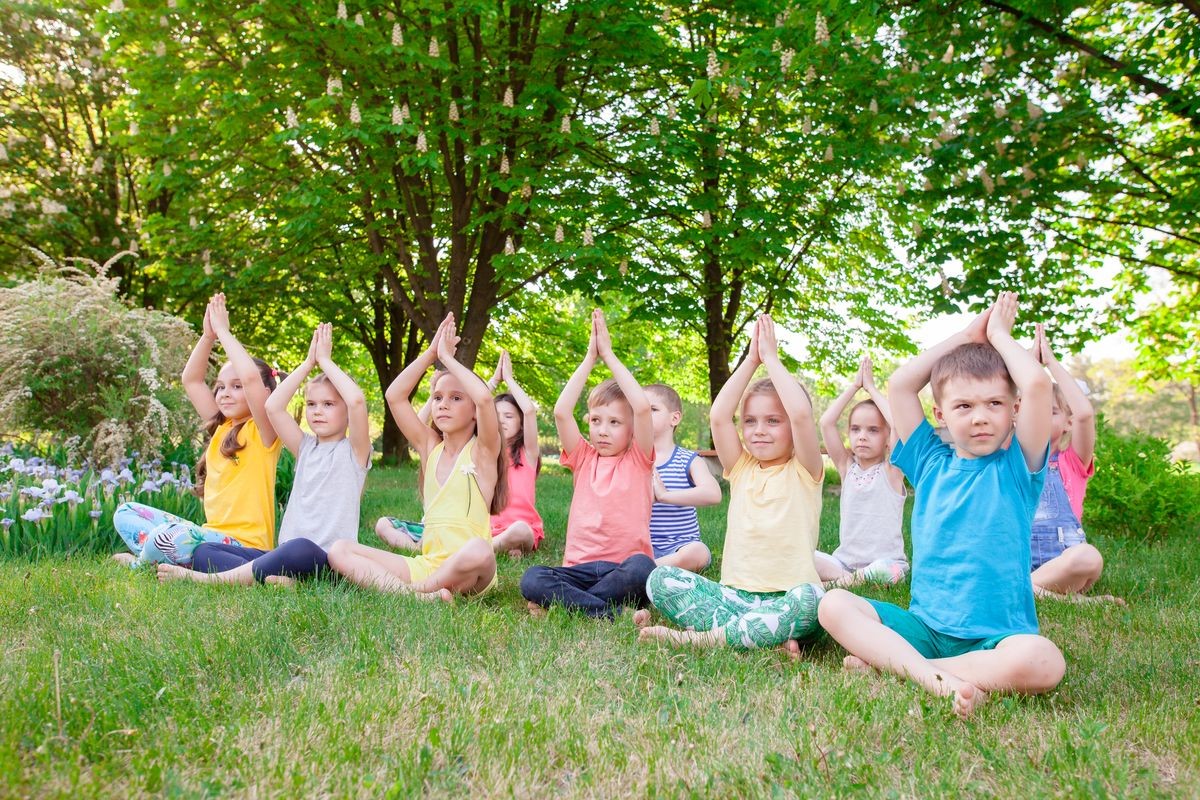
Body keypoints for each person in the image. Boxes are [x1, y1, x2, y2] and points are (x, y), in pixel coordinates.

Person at [818, 293, 1066, 717]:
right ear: (940, 414)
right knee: (834, 604)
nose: (980, 416)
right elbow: (900, 384)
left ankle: (903, 668)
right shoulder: (928, 462)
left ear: (1014, 410)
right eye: (964, 406)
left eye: (994, 404)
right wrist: (966, 335)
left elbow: (1038, 385)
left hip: (997, 641)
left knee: (1044, 661)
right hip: (926, 630)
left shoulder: (1019, 467)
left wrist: (999, 335)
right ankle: (935, 677)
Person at [637, 315, 824, 652]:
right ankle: (764, 637)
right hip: (735, 598)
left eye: (773, 421)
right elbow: (719, 416)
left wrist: (771, 359)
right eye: (750, 421)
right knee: (660, 579)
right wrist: (750, 361)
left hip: (789, 597)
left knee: (813, 601)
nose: (759, 430)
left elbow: (801, 415)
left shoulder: (805, 470)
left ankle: (702, 639)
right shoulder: (741, 468)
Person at [157, 323, 371, 585]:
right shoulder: (304, 448)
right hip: (284, 556)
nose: (317, 411)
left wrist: (325, 361)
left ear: (346, 411)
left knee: (300, 547)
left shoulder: (355, 452)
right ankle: (276, 579)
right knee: (205, 552)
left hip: (328, 562)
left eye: (328, 404)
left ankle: (212, 580)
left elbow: (357, 401)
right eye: (311, 404)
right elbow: (273, 406)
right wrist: (307, 364)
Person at [327, 314, 502, 600]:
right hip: (427, 565)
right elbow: (395, 396)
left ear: (474, 413)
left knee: (480, 549)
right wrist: (431, 354)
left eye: (456, 398)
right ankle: (421, 596)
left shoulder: (483, 451)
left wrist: (448, 359)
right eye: (438, 398)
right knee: (340, 550)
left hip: (471, 571)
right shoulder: (430, 447)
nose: (443, 404)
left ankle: (412, 591)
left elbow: (484, 398)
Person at [112, 293, 281, 567]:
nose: (225, 393)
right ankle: (166, 556)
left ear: (264, 393)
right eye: (221, 386)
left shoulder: (265, 431)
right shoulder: (221, 427)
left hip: (244, 547)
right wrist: (207, 337)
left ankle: (141, 564)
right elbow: (191, 380)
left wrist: (224, 331)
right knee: (126, 512)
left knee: (166, 537)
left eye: (237, 386)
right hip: (209, 537)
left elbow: (251, 377)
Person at [519, 309, 657, 619]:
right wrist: (589, 359)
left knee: (643, 568)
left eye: (614, 422)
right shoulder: (583, 457)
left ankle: (566, 606)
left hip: (621, 571)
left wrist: (608, 355)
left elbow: (642, 408)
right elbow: (561, 412)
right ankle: (610, 612)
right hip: (577, 570)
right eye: (596, 420)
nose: (602, 430)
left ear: (633, 429)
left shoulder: (639, 459)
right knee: (533, 578)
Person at [1029, 324, 1121, 604]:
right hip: (1017, 560)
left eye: (1051, 411)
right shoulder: (1012, 457)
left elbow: (1084, 414)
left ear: (1068, 423)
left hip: (1065, 565)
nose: (1039, 415)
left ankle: (1025, 589)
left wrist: (1051, 363)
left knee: (1089, 557)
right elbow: (1007, 402)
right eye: (1033, 409)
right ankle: (1074, 602)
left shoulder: (1072, 462)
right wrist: (1028, 366)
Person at [815, 357, 908, 587]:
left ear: (887, 438)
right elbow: (826, 422)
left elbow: (898, 423)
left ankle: (835, 585)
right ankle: (850, 580)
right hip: (844, 563)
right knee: (800, 554)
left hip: (886, 564)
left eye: (873, 430)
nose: (862, 436)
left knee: (887, 571)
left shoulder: (892, 471)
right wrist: (855, 386)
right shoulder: (846, 468)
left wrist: (872, 389)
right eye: (856, 429)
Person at [644, 383, 721, 572]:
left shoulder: (688, 460)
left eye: (652, 409)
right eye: (638, 410)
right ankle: (643, 568)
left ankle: (642, 570)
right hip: (640, 546)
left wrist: (664, 496)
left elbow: (713, 494)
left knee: (699, 552)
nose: (643, 415)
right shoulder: (629, 460)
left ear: (675, 418)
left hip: (680, 548)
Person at [486, 350, 544, 558]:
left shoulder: (528, 452)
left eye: (509, 416)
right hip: (488, 528)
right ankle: (504, 546)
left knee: (520, 530)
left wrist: (508, 379)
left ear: (521, 423)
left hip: (522, 528)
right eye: (496, 415)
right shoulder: (485, 451)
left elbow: (529, 411)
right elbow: (474, 408)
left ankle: (490, 548)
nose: (501, 420)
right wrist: (494, 381)